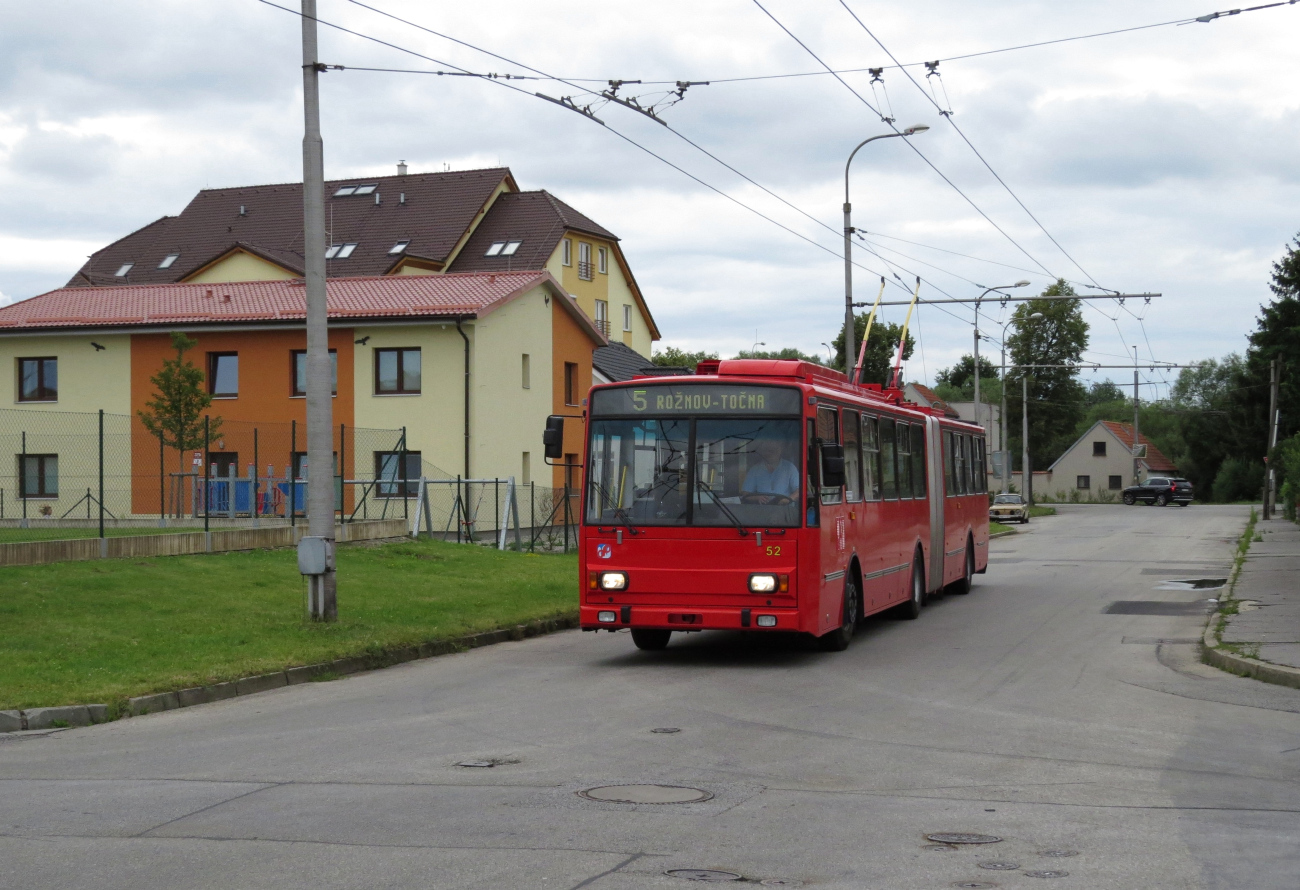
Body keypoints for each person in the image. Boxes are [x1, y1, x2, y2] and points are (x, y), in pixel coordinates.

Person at [741, 437, 800, 503]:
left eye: (773, 450)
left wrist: (787, 500)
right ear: (763, 452)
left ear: (780, 450)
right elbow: (745, 493)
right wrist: (757, 498)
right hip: (762, 510)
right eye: (768, 450)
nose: (770, 453)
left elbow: (799, 490)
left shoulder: (789, 467)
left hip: (785, 511)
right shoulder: (755, 469)